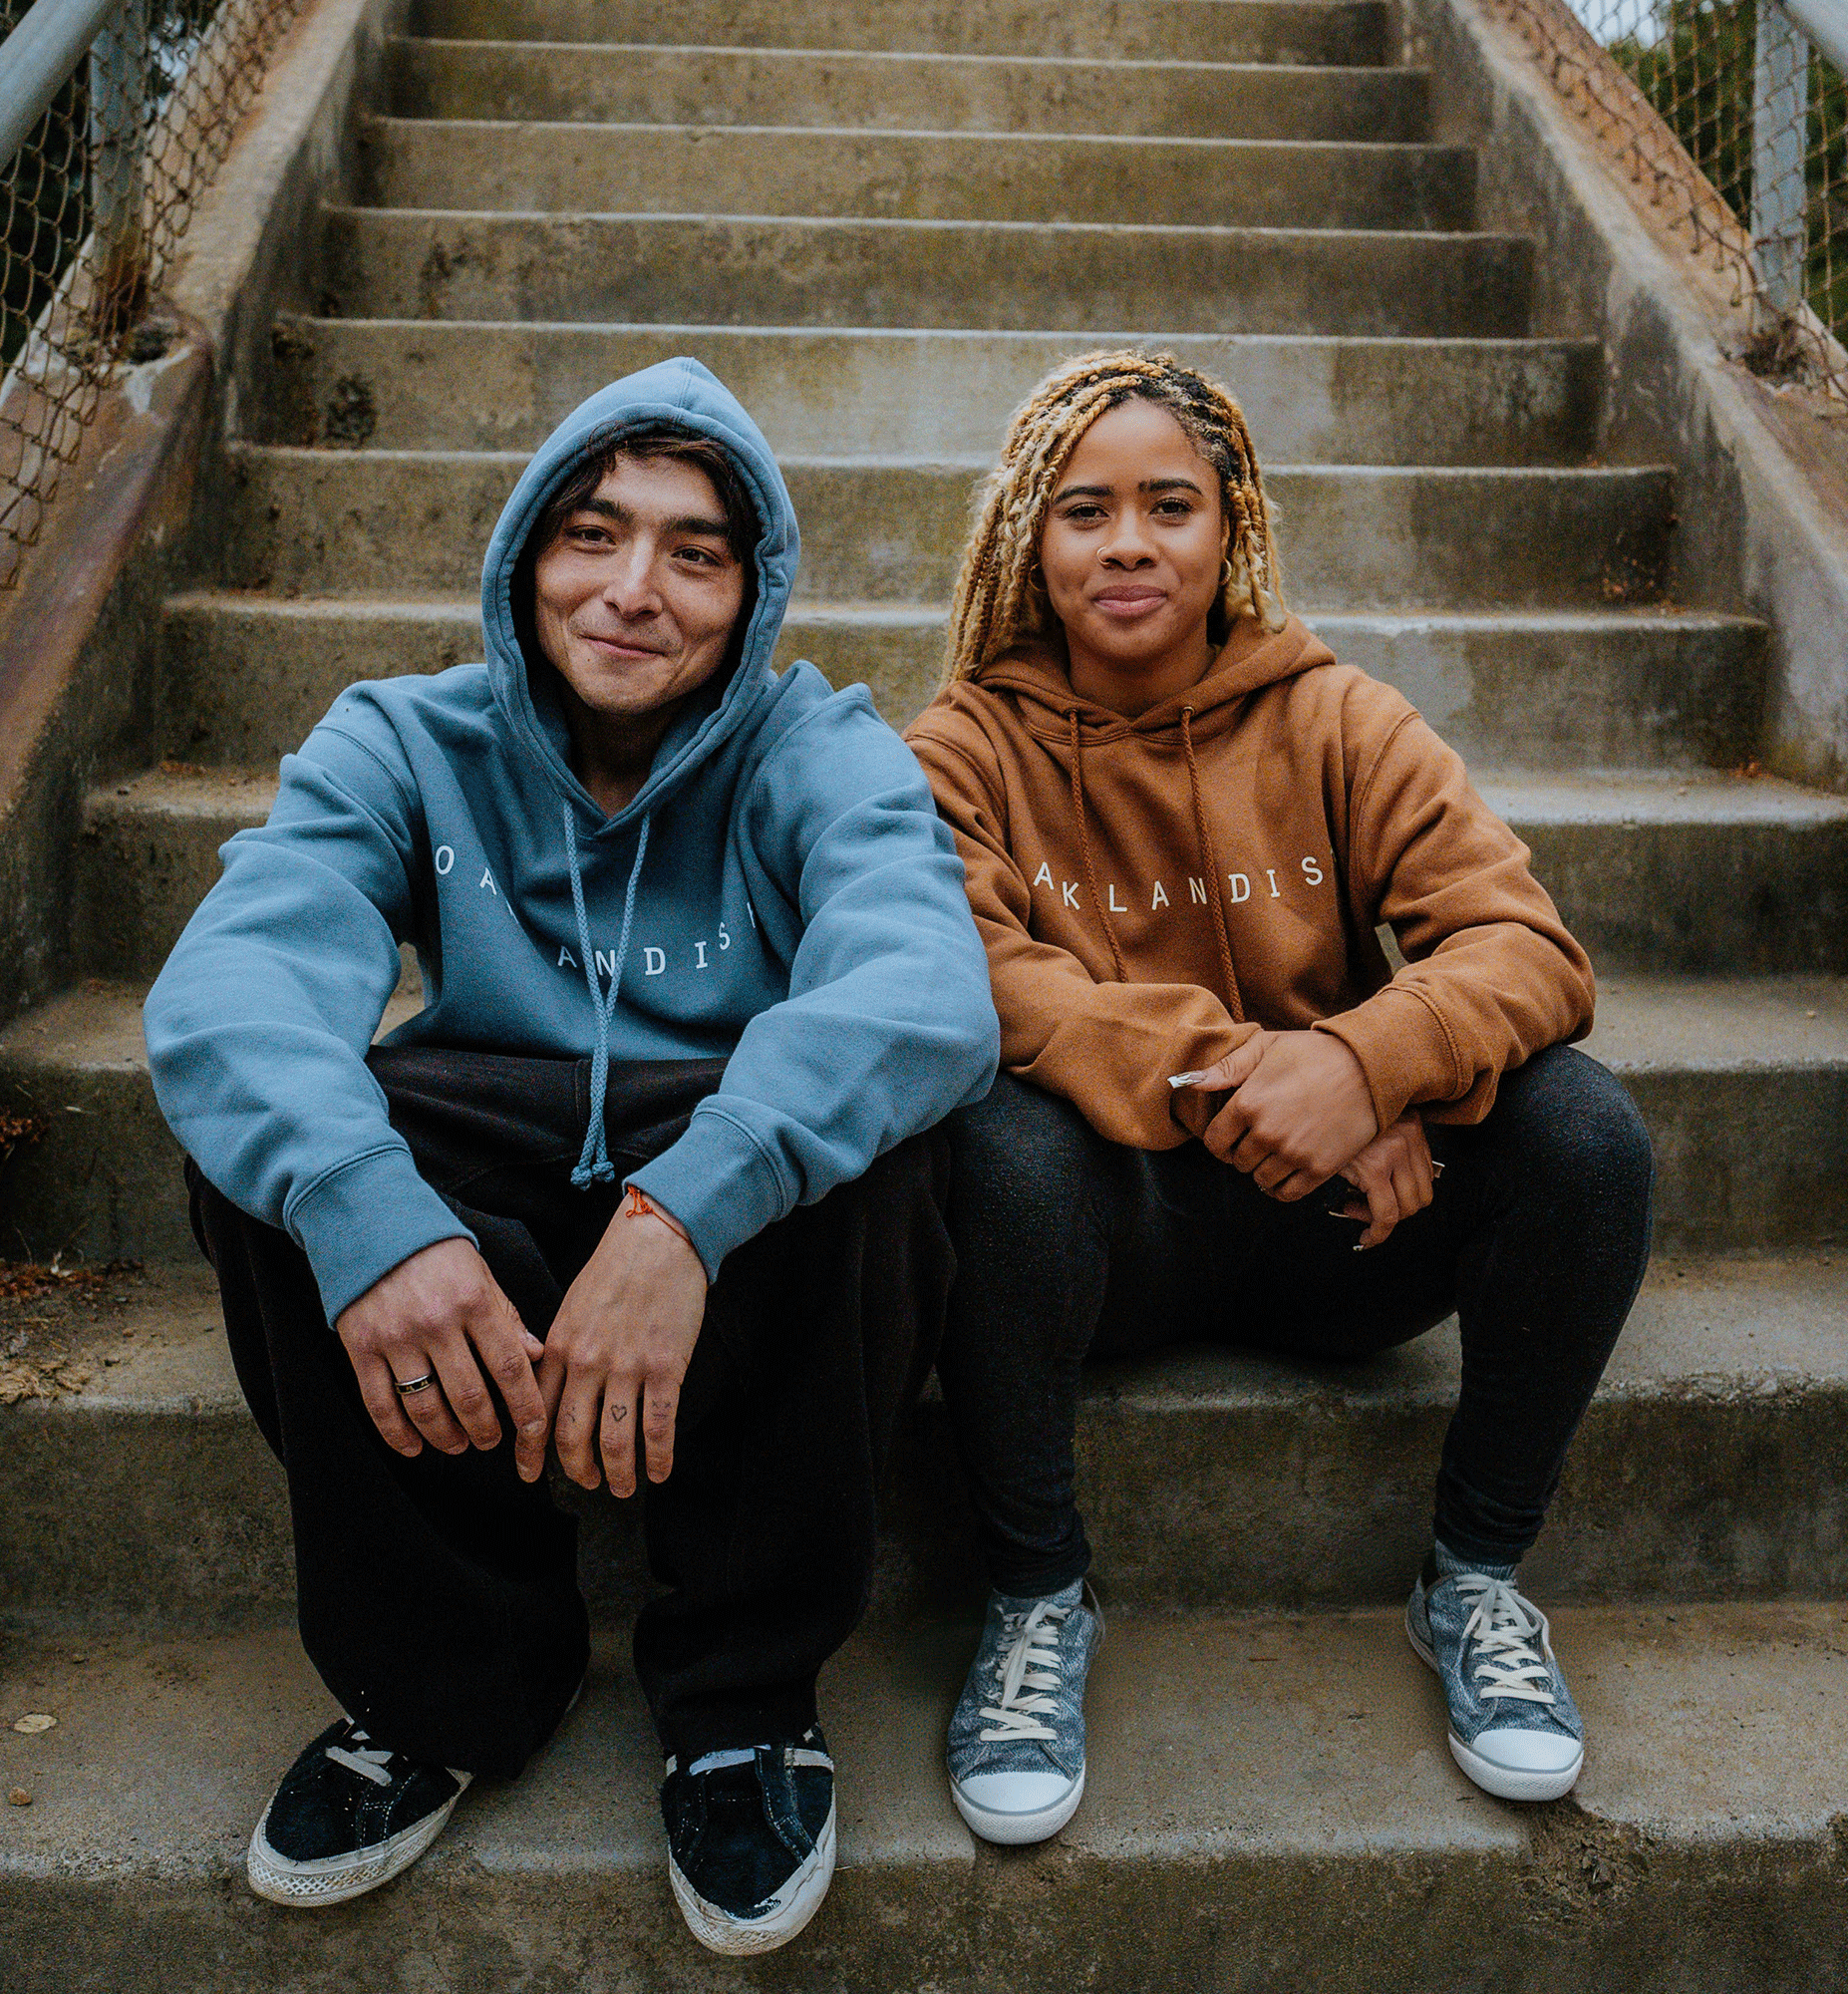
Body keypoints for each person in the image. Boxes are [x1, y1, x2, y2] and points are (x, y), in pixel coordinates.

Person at [145, 358, 999, 1950]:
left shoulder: (822, 748)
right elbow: (234, 985)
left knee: (882, 1146)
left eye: (695, 550)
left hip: (708, 1139)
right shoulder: (399, 739)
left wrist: (685, 1212)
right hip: (489, 1129)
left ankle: (742, 1695)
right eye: (592, 534)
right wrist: (367, 1213)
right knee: (277, 1154)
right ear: (526, 552)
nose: (632, 591)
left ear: (755, 591)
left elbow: (924, 987)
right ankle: (442, 1685)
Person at [905, 349, 1654, 1846]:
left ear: (1230, 524)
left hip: (1346, 1240)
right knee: (985, 1138)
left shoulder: (1337, 718)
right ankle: (1038, 1596)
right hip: (1105, 1240)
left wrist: (1373, 1059)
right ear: (1023, 541)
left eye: (1169, 504)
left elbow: (1527, 946)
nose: (1128, 543)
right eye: (1083, 510)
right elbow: (975, 982)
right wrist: (1277, 1073)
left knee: (1584, 1132)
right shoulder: (959, 751)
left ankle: (1476, 1582)